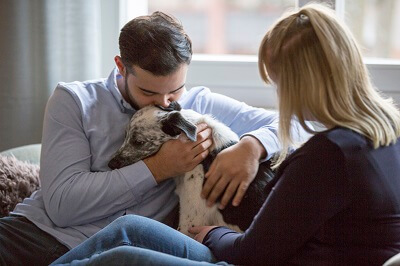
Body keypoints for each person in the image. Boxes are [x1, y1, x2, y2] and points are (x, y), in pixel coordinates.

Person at [51, 3, 400, 266]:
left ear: (300, 85)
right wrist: (252, 144)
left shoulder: (328, 156)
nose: (280, 96)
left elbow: (252, 252)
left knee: (124, 253)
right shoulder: (385, 134)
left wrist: (215, 233)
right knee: (128, 232)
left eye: (278, 83)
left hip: (248, 258)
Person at [0, 11, 311, 265]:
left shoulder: (198, 106)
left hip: (124, 250)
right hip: (33, 235)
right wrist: (157, 168)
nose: (165, 102)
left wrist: (251, 146)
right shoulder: (75, 101)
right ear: (121, 67)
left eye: (175, 90)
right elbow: (61, 207)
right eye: (148, 91)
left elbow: (296, 125)